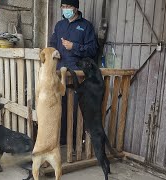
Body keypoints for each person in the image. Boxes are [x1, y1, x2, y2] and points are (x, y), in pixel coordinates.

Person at [50, 0, 99, 145]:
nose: (65, 9)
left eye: (68, 6)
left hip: (78, 77)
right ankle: (63, 140)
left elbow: (93, 50)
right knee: (60, 107)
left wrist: (74, 46)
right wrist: (54, 51)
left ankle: (78, 141)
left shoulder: (86, 26)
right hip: (60, 74)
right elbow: (52, 44)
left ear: (75, 7)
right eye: (63, 6)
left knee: (76, 110)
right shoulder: (60, 25)